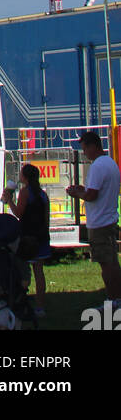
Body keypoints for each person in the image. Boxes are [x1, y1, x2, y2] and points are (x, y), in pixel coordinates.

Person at [67, 130, 121, 304]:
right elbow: (97, 191)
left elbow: (92, 195)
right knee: (113, 262)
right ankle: (117, 297)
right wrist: (83, 189)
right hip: (110, 219)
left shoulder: (98, 166)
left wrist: (78, 193)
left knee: (106, 264)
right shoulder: (111, 163)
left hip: (99, 223)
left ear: (93, 146)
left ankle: (112, 299)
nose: (84, 153)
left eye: (85, 149)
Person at [2, 162, 50, 314]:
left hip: (27, 236)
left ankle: (21, 301)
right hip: (41, 236)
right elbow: (46, 217)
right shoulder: (43, 194)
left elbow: (18, 213)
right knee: (39, 272)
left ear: (25, 177)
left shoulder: (25, 192)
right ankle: (41, 306)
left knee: (23, 271)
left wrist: (9, 200)